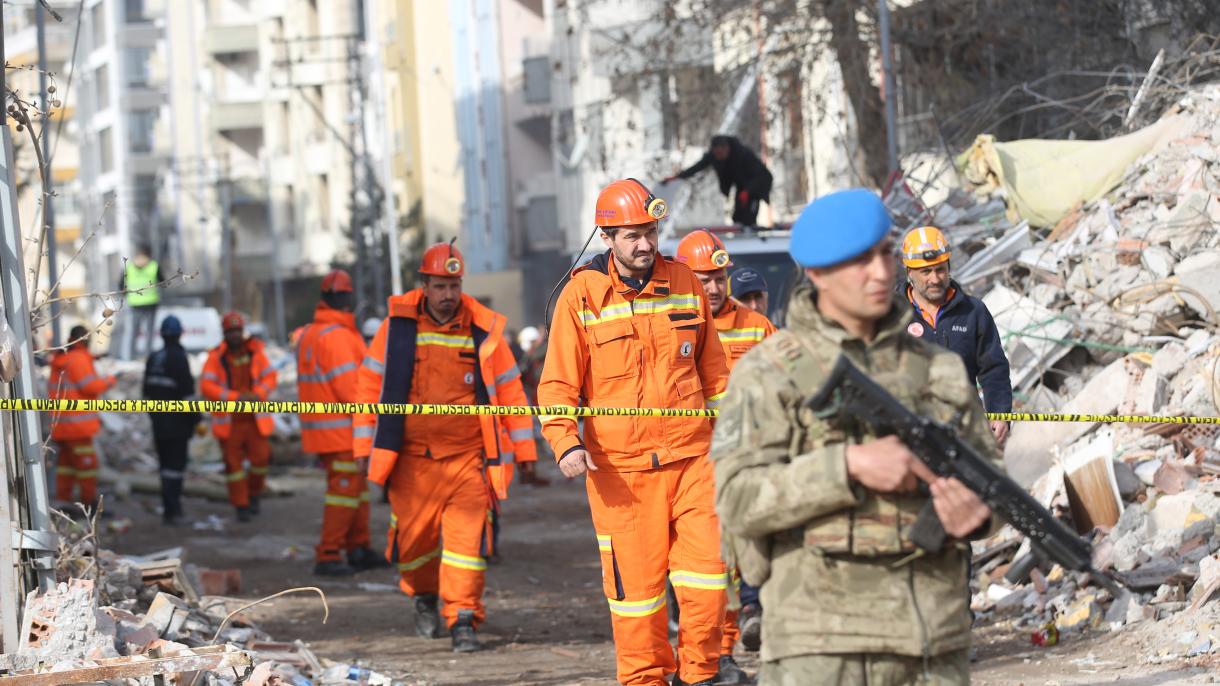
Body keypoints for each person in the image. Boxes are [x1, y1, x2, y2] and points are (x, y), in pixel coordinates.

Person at [711, 189, 1001, 686]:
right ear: (818, 274)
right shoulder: (770, 373)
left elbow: (990, 491)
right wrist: (845, 467)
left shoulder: (940, 372)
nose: (880, 272)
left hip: (928, 646)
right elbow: (736, 502)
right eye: (858, 260)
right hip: (819, 649)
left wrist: (975, 513)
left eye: (885, 253)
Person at [538, 178, 730, 686]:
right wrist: (565, 442)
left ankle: (700, 676)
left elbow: (716, 375)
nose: (645, 244)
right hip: (621, 476)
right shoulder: (582, 297)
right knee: (638, 603)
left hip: (694, 464)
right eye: (631, 235)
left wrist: (740, 438)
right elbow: (557, 381)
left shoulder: (687, 284)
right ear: (606, 236)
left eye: (650, 232)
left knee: (708, 585)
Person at [353, 242, 538, 653]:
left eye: (454, 285)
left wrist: (525, 454)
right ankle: (423, 597)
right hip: (411, 462)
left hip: (468, 460)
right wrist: (363, 445)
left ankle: (463, 619)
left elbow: (510, 393)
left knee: (466, 547)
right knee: (415, 545)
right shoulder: (396, 329)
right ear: (424, 285)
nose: (448, 295)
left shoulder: (483, 329)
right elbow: (369, 387)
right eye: (440, 286)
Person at [675, 230, 777, 678]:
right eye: (703, 279)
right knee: (704, 571)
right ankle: (703, 654)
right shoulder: (675, 325)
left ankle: (723, 652)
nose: (714, 288)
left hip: (748, 465)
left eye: (720, 277)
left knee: (734, 564)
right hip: (689, 466)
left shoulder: (757, 327)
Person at [297, 270, 387, 577]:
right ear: (345, 299)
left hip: (330, 430)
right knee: (345, 491)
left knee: (355, 490)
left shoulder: (316, 332)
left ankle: (357, 547)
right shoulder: (335, 336)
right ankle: (329, 553)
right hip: (342, 430)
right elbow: (352, 390)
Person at [901, 226, 1013, 446]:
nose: (935, 279)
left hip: (968, 433)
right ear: (909, 273)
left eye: (940, 269)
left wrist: (999, 412)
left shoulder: (973, 312)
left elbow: (993, 368)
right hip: (913, 438)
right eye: (926, 272)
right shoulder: (892, 317)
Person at [200, 312, 277, 522]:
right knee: (233, 467)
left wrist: (258, 394)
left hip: (254, 420)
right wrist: (235, 398)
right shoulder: (216, 357)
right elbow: (207, 386)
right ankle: (241, 505)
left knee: (261, 460)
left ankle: (253, 494)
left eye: (237, 331)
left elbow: (270, 377)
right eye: (230, 331)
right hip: (230, 421)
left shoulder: (256, 352)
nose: (234, 335)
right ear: (224, 333)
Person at [49, 325, 116, 510]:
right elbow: (90, 387)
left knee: (66, 466)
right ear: (86, 340)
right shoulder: (79, 359)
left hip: (63, 426)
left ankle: (64, 503)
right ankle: (89, 504)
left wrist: (94, 358)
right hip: (78, 427)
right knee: (87, 466)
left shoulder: (63, 358)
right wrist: (110, 380)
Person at [142, 316, 199, 525]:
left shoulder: (154, 357)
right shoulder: (178, 358)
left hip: (159, 422)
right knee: (175, 467)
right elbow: (188, 394)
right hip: (177, 423)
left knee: (165, 466)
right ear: (179, 333)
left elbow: (146, 393)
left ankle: (169, 508)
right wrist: (196, 418)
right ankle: (173, 510)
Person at [664, 135, 774, 227]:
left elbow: (760, 176)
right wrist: (677, 177)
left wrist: (748, 191)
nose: (719, 157)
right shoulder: (714, 156)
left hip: (758, 184)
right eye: (716, 154)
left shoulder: (743, 155)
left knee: (748, 215)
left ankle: (751, 233)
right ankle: (741, 227)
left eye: (721, 154)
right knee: (737, 216)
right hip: (742, 186)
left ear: (727, 149)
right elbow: (697, 167)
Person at [119, 243, 164, 359]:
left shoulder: (129, 267)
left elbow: (121, 286)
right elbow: (163, 282)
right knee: (140, 333)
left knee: (135, 333)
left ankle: (133, 357)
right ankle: (136, 357)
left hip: (146, 304)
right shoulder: (153, 266)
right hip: (140, 305)